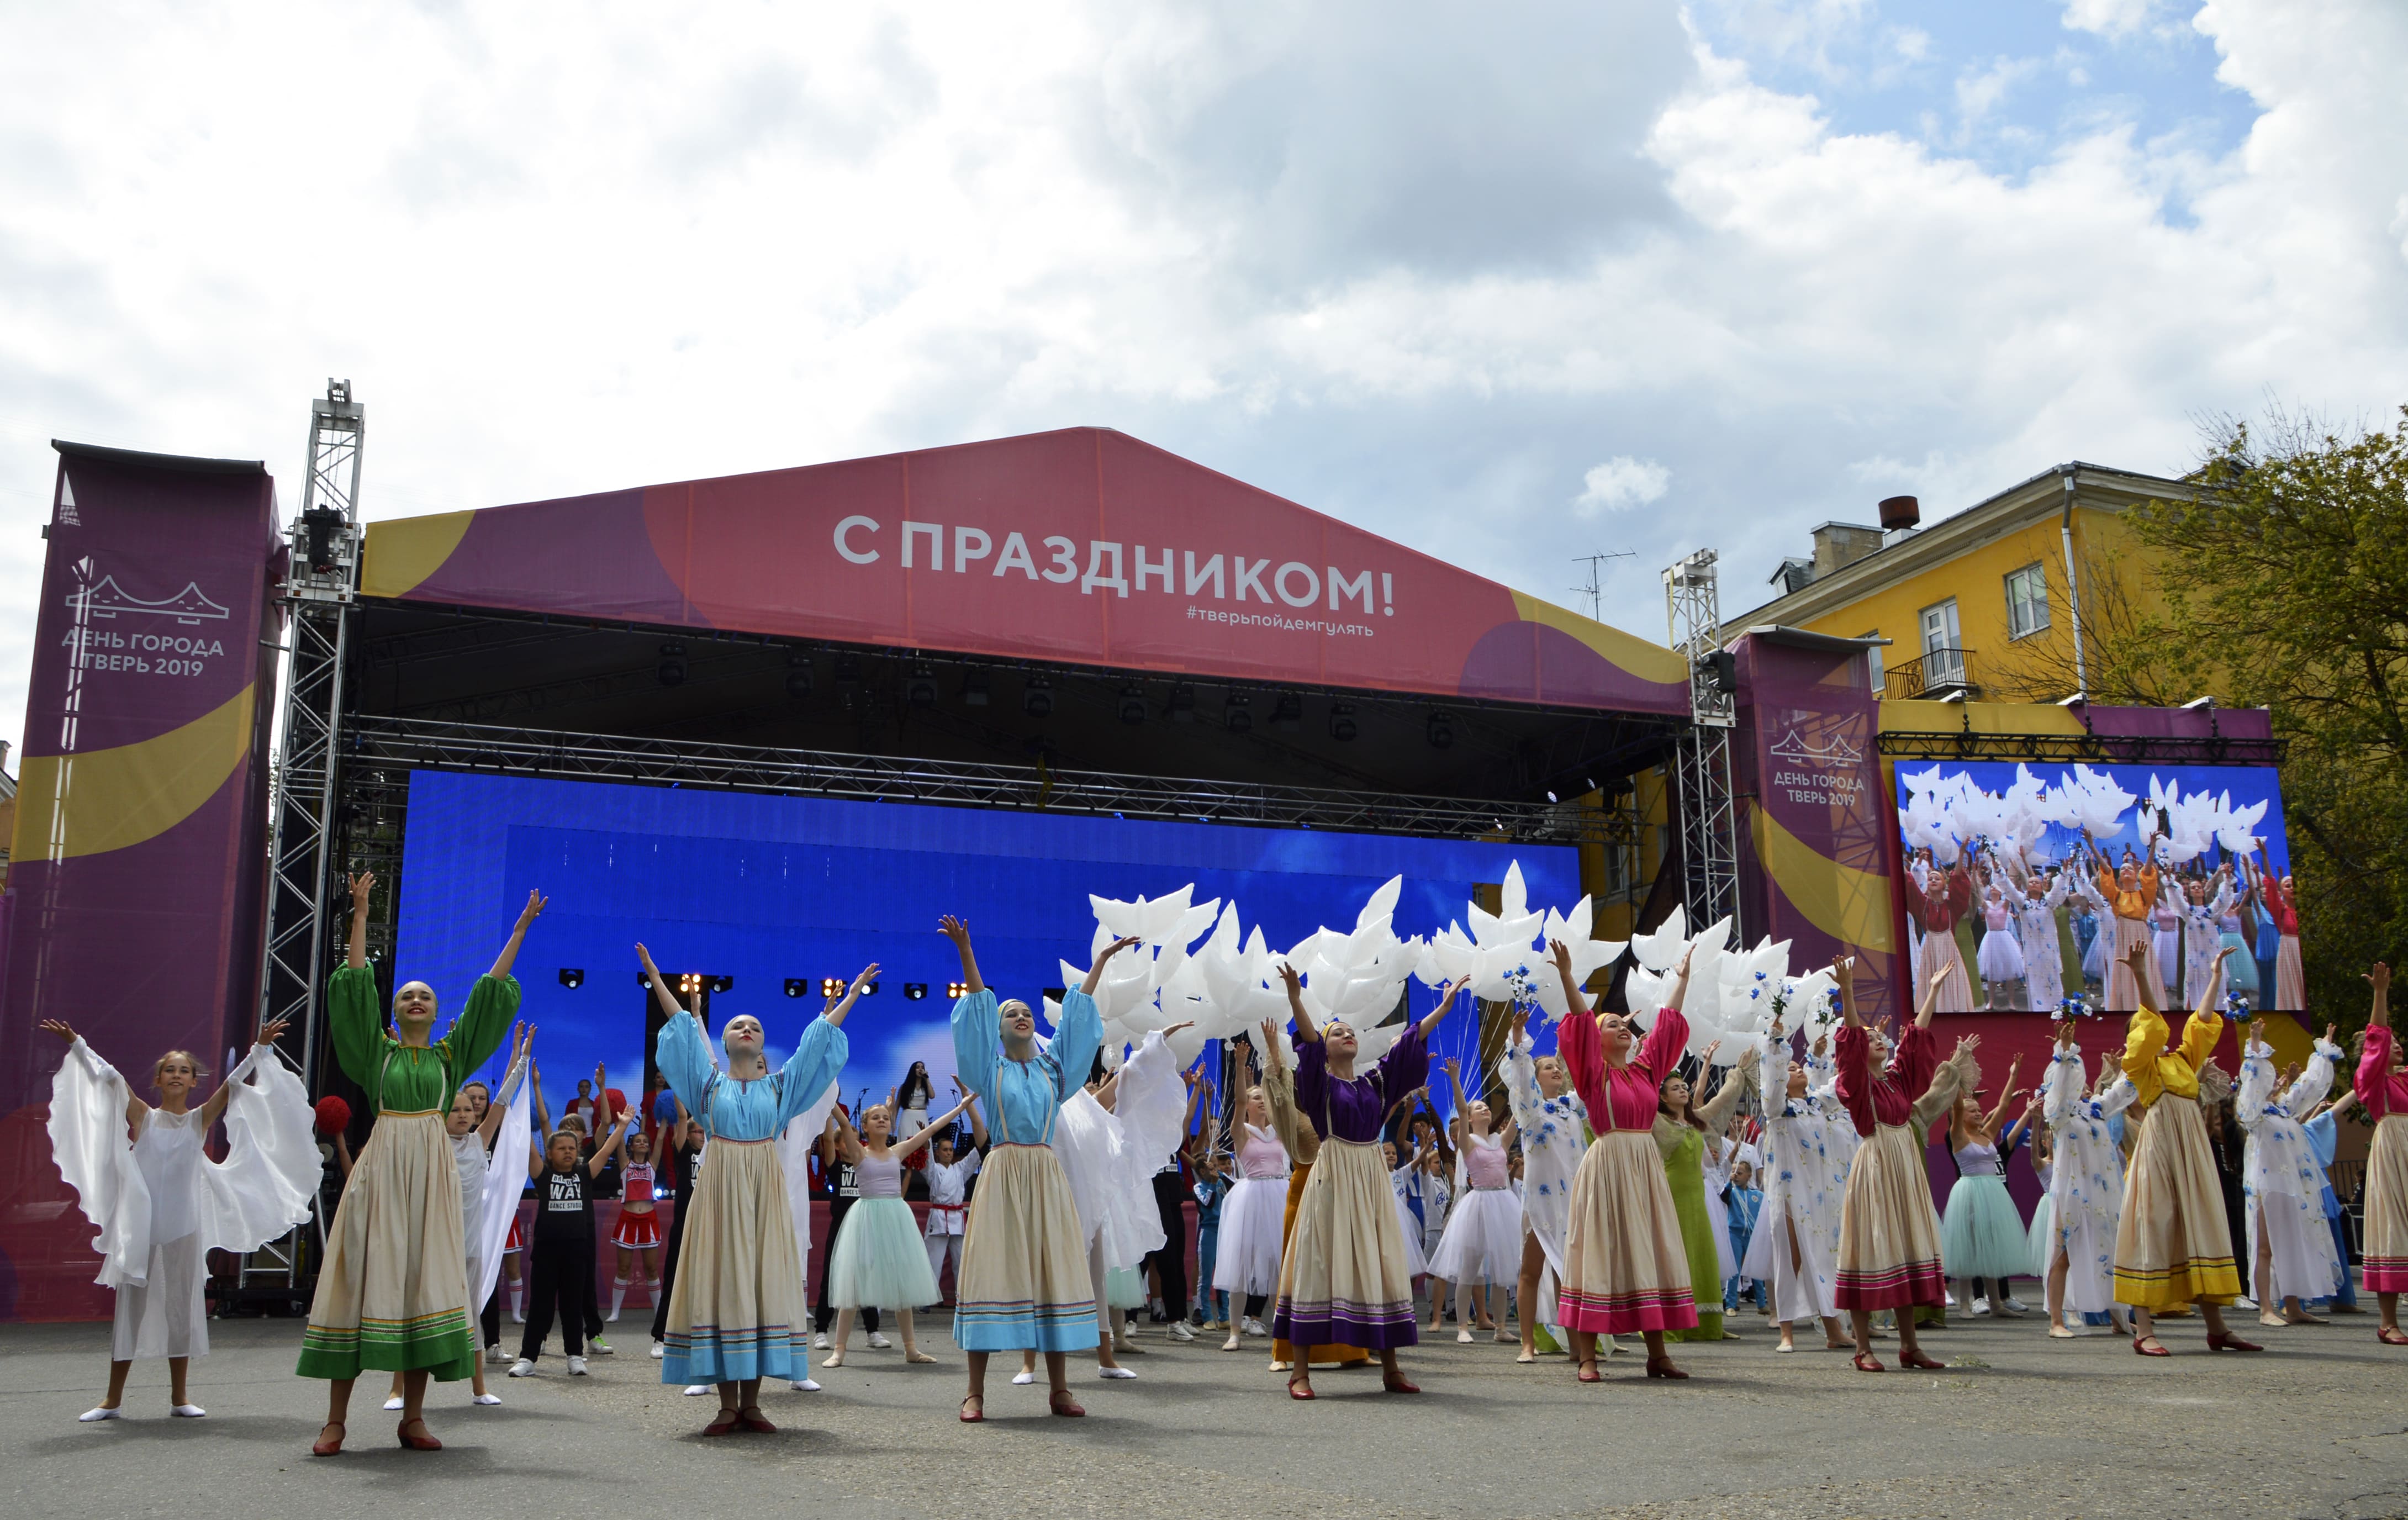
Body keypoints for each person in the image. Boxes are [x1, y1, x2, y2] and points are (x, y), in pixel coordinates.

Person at [297, 874, 538, 1456]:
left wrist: (519, 932)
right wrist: (359, 914)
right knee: (360, 1282)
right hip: (382, 1172)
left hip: (430, 1178)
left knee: (421, 1285)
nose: (415, 1000)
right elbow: (355, 988)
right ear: (396, 1010)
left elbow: (488, 994)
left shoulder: (449, 1060)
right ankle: (335, 1421)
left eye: (425, 995)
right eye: (406, 994)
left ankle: (413, 1416)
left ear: (435, 1012)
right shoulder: (375, 1054)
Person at [42, 1014, 315, 1422]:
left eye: (184, 1071)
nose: (176, 1074)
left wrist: (259, 1048)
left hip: (183, 1229)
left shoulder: (199, 1120)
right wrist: (77, 1043)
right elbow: (109, 1077)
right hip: (142, 1230)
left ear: (192, 1082)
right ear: (158, 1079)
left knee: (180, 1310)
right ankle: (111, 1400)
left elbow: (234, 1085)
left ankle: (179, 1397)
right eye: (169, 1069)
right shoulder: (143, 1117)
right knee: (130, 1313)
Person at [646, 940, 851, 1434]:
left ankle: (754, 1404)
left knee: (758, 1283)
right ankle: (724, 1405)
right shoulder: (708, 1086)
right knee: (721, 1283)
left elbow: (817, 1044)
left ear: (762, 1046)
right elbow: (679, 1033)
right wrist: (656, 975)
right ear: (725, 1037)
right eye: (738, 1024)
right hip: (717, 1190)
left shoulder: (780, 1087)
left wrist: (856, 994)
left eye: (755, 1027)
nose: (746, 1029)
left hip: (762, 1189)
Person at [946, 916, 1134, 1421]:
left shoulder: (1054, 1071)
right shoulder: (991, 1068)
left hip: (1047, 1178)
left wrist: (1098, 965)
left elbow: (1076, 1021)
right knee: (992, 1272)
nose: (1022, 1016)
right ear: (998, 1028)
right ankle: (975, 1392)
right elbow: (979, 1006)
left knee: (1052, 1274)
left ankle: (1059, 1389)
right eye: (1012, 1014)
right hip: (1005, 1173)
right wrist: (968, 952)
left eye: (1027, 1012)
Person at [1272, 967, 1453, 1400]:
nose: (1348, 1036)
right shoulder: (1318, 1082)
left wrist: (1444, 1009)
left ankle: (1391, 1369)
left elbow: (1406, 1046)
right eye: (1339, 1034)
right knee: (1319, 1262)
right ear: (1328, 1047)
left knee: (1380, 1261)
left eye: (1351, 1032)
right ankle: (1300, 1374)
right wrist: (1298, 999)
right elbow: (1310, 1046)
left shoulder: (1374, 1082)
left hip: (1370, 1172)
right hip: (1334, 1170)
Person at [1550, 938, 1703, 1381]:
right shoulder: (1593, 1074)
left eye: (1624, 1024)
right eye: (1611, 1024)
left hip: (1644, 1167)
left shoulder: (1644, 1071)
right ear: (1596, 1040)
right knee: (1600, 1252)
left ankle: (1658, 1355)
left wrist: (1683, 980)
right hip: (1609, 1164)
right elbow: (1579, 1021)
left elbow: (1666, 1027)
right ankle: (1588, 1357)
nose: (1623, 1028)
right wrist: (1566, 976)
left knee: (1648, 1251)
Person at [2114, 942, 2259, 1355]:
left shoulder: (2181, 1060)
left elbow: (2204, 1022)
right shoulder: (2140, 1065)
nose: (2150, 1034)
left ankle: (2217, 1328)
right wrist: (2142, 975)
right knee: (2154, 1221)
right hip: (2161, 1143)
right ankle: (2144, 1330)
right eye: (2139, 1032)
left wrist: (2214, 976)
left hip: (2190, 1146)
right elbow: (2152, 1021)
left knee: (2200, 1221)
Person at [1834, 961, 1976, 1373]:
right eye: (1872, 1038)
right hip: (1877, 1164)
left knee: (1907, 1250)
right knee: (1871, 1251)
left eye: (1883, 1037)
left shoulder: (1897, 1082)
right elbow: (1851, 1047)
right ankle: (1863, 1349)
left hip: (1905, 1167)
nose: (1879, 1041)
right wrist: (1847, 992)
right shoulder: (1860, 1086)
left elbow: (1915, 1042)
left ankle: (1910, 1346)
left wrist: (1931, 991)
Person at [823, 1088, 976, 1364]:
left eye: (886, 1117)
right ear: (866, 1126)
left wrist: (962, 1107)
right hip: (867, 1217)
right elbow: (844, 1123)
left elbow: (932, 1129)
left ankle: (911, 1349)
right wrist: (827, 1095)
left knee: (901, 1284)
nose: (882, 1121)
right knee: (854, 1285)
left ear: (891, 1124)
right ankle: (839, 1350)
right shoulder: (859, 1153)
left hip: (895, 1216)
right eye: (876, 1118)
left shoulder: (898, 1152)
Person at [510, 1085, 636, 1378]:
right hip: (546, 1251)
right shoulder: (542, 1174)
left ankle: (575, 1356)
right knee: (540, 1306)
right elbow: (530, 1143)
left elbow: (606, 1150)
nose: (568, 1152)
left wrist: (623, 1126)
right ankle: (527, 1358)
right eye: (561, 1149)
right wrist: (517, 1115)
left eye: (572, 1148)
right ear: (550, 1153)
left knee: (571, 1306)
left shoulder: (584, 1173)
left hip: (576, 1251)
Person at [1744, 1019, 1852, 1353]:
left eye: (1798, 1067)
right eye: (1789, 1069)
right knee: (1789, 1258)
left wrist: (1823, 1055)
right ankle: (1786, 1332)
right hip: (1789, 1194)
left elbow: (1842, 1083)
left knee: (1823, 1257)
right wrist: (1775, 1043)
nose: (1797, 1070)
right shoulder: (1778, 1109)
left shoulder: (1818, 1105)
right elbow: (1772, 1086)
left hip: (1820, 1195)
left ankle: (1834, 1328)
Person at [1497, 1002, 1590, 1364]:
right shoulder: (1530, 1109)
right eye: (1547, 1067)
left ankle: (1575, 1342)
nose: (1556, 1071)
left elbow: (1591, 1077)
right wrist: (1519, 1039)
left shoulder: (1573, 1108)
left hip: (1573, 1199)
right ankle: (1527, 1343)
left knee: (1568, 1274)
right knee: (1532, 1270)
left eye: (1558, 1067)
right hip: (1540, 1198)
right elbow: (1520, 1076)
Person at [2237, 1022, 2346, 1326]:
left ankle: (2294, 1305)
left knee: (2294, 1240)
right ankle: (2266, 1309)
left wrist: (2324, 1051)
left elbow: (2310, 1085)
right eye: (2269, 1080)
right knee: (2265, 1247)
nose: (2275, 1083)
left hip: (2291, 1186)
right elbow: (2253, 1085)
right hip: (2266, 1186)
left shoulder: (2283, 1109)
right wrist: (2256, 1046)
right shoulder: (2254, 1116)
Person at [2032, 1030, 2136, 1338]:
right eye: (2072, 1073)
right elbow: (2060, 1095)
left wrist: (2133, 1057)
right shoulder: (2060, 1116)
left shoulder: (2096, 1110)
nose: (2080, 1080)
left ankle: (2118, 1316)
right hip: (2071, 1191)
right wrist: (2064, 1054)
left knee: (2111, 1251)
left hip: (2102, 1192)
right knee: (2063, 1253)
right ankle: (2057, 1321)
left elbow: (2122, 1090)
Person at [1657, 1044, 1756, 1344]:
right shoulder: (1656, 1122)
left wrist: (1737, 1073)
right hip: (1671, 1196)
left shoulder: (1696, 1119)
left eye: (1684, 1087)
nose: (1683, 1091)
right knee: (1678, 1256)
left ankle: (1709, 1323)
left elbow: (1722, 1098)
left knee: (1704, 1255)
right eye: (1675, 1089)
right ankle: (1675, 1322)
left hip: (1699, 1197)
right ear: (1661, 1097)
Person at [1425, 1056, 1520, 1343]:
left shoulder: (1500, 1141)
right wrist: (1455, 1079)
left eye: (1487, 1107)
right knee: (1469, 1268)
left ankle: (1501, 1327)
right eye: (1480, 1108)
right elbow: (1462, 1109)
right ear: (1472, 1116)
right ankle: (1463, 1327)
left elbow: (1518, 1115)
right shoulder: (1467, 1142)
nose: (1485, 1110)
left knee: (1503, 1270)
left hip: (1502, 1201)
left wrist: (1521, 1084)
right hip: (1478, 1204)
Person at [1940, 1052, 2031, 1317]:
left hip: (1992, 1192)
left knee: (1991, 1245)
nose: (1979, 1113)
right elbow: (1956, 1108)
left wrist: (2013, 1074)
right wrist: (1956, 1075)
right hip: (1969, 1191)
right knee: (1968, 1246)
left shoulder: (1987, 1135)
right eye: (1974, 1110)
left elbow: (2003, 1106)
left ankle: (1997, 1304)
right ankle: (1966, 1305)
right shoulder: (1957, 1136)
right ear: (1961, 1115)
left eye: (1979, 1110)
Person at [2352, 962, 2408, 1345]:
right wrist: (2381, 994)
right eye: (2393, 1043)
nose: (2397, 1044)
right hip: (2393, 1151)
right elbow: (2377, 1037)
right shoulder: (2373, 1083)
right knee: (2393, 1229)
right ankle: (2389, 1321)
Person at [1212, 1079, 1290, 1349]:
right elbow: (1240, 1102)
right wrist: (1241, 1070)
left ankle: (1283, 1330)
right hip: (1251, 1196)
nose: (1262, 1102)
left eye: (1264, 1098)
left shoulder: (1279, 1130)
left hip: (1280, 1194)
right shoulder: (1241, 1131)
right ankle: (1235, 1332)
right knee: (1240, 1263)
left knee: (1278, 1266)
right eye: (1257, 1098)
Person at [923, 1081, 986, 1304]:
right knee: (934, 1260)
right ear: (939, 1153)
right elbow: (927, 1159)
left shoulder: (960, 1169)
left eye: (951, 1150)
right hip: (939, 1217)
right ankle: (928, 1298)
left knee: (962, 1260)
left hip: (958, 1218)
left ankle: (963, 1298)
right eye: (945, 1150)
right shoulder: (933, 1170)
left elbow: (978, 1153)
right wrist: (926, 1142)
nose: (949, 1153)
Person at [609, 1124, 664, 1323]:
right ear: (631, 1146)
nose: (642, 1144)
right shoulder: (625, 1165)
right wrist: (621, 1123)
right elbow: (618, 1142)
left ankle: (659, 1312)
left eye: (645, 1142)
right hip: (628, 1219)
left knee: (651, 1269)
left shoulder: (652, 1165)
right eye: (637, 1141)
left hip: (649, 1220)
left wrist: (665, 1120)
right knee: (623, 1268)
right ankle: (615, 1312)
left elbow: (659, 1141)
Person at [2257, 844, 2304, 1011]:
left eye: (2294, 885)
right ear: (2282, 891)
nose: (2292, 888)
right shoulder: (2281, 910)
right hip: (2289, 950)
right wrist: (2264, 855)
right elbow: (2270, 884)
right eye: (2288, 886)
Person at [1724, 1159, 1764, 1314]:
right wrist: (1729, 1183)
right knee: (1734, 1270)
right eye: (1734, 1173)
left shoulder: (1758, 1196)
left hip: (1752, 1236)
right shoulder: (1732, 1193)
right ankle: (1730, 1305)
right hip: (1735, 1234)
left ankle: (1762, 1304)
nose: (1736, 1176)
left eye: (1740, 1173)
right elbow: (1723, 1196)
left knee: (1757, 1270)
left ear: (1749, 1175)